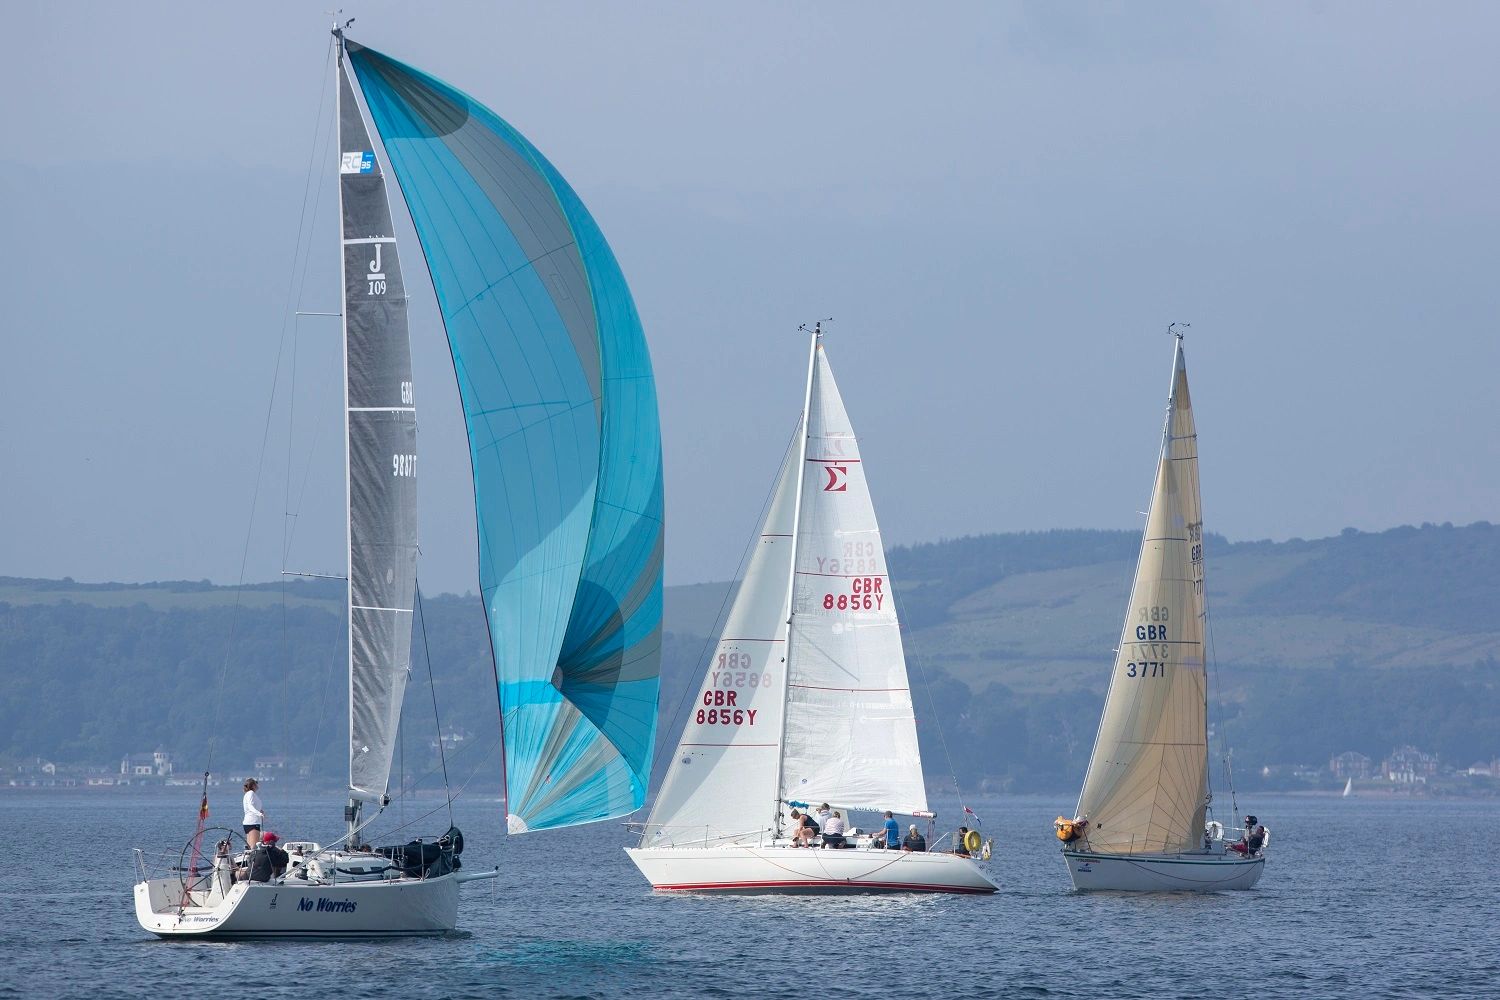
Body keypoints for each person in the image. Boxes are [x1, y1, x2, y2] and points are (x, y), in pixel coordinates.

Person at [242, 778, 265, 850]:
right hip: (252, 822)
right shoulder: (250, 793)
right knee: (254, 847)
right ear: (253, 785)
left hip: (249, 822)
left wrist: (260, 810)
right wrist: (259, 814)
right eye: (256, 783)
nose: (257, 785)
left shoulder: (249, 794)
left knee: (250, 847)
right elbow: (250, 806)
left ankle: (249, 860)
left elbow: (252, 806)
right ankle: (252, 860)